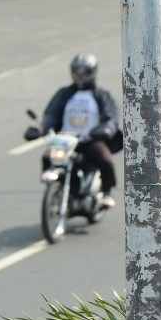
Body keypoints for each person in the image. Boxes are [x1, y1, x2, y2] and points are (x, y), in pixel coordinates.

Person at [40, 54, 122, 209]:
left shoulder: (101, 95)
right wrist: (45, 128)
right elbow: (51, 113)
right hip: (65, 142)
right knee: (47, 156)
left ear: (92, 72)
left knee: (105, 160)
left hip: (89, 140)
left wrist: (104, 130)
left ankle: (106, 192)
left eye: (84, 72)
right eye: (77, 72)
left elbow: (111, 117)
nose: (80, 76)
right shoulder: (64, 94)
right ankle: (56, 188)